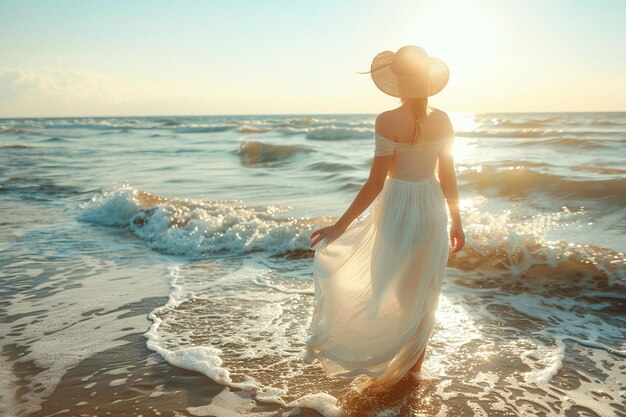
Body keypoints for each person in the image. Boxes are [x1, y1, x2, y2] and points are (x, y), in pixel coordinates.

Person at [303, 45, 465, 391]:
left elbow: (377, 182)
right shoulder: (444, 119)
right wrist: (457, 222)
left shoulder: (387, 120)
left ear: (399, 82)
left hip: (396, 207)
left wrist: (341, 225)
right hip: (431, 208)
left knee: (391, 286)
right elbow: (448, 176)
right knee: (424, 293)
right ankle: (413, 371)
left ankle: (400, 365)